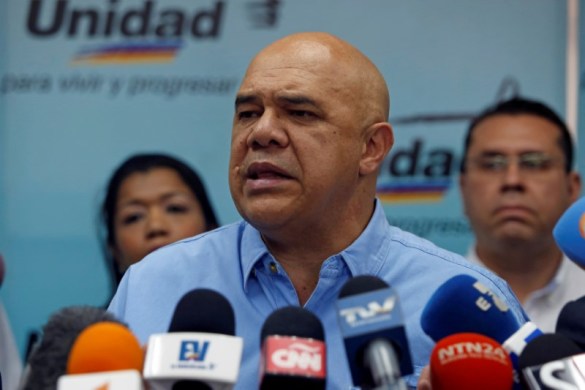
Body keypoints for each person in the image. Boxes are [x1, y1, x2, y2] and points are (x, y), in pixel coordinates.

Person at [108, 32, 527, 388]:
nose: (262, 133)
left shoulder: (469, 303)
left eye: (300, 113)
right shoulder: (152, 284)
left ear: (371, 148)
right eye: (248, 113)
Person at [459, 97, 584, 332]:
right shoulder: (425, 301)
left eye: (534, 163)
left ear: (572, 187)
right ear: (463, 188)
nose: (512, 180)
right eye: (492, 164)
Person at [99, 153, 219, 291]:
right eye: (134, 217)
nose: (155, 226)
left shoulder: (247, 310)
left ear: (211, 230)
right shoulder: (96, 314)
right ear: (115, 250)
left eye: (174, 208)